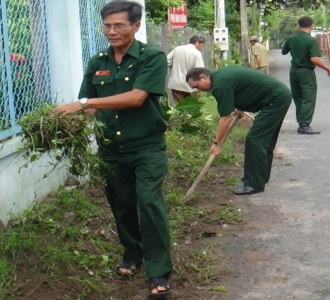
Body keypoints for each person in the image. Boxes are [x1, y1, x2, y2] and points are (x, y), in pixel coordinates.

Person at [52, 0, 172, 296]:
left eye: (119, 25)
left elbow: (135, 98)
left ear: (136, 26)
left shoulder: (151, 58)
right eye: (107, 25)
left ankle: (159, 271)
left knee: (148, 202)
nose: (111, 31)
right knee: (121, 204)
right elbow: (89, 106)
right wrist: (62, 125)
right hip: (111, 149)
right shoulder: (98, 62)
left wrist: (84, 104)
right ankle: (133, 253)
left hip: (146, 147)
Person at [186, 66, 292, 195]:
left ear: (203, 77)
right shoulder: (220, 77)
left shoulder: (220, 84)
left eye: (197, 85)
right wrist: (240, 105)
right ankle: (260, 177)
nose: (198, 90)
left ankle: (254, 184)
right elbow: (240, 88)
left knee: (255, 140)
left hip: (275, 100)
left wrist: (216, 144)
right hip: (279, 96)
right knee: (264, 140)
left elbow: (225, 119)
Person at [282, 16, 330, 135]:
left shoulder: (291, 38)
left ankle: (301, 122)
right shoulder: (311, 40)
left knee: (298, 97)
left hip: (294, 71)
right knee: (308, 97)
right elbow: (314, 59)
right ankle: (304, 125)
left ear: (298, 26)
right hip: (306, 72)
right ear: (312, 26)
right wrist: (328, 69)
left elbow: (284, 51)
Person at [167, 34, 206, 103]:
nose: (201, 48)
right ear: (197, 42)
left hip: (176, 83)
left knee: (180, 107)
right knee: (192, 108)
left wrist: (174, 67)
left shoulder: (177, 48)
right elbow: (199, 70)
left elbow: (167, 61)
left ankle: (181, 114)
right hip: (190, 85)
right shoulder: (196, 53)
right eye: (202, 45)